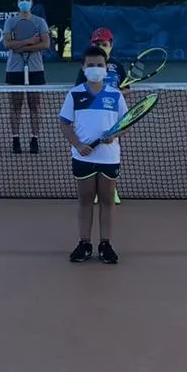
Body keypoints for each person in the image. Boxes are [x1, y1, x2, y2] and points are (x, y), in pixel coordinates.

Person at [58, 45, 124, 264]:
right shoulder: (75, 94)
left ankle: (105, 244)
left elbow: (125, 122)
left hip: (108, 157)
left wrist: (114, 135)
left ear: (106, 69)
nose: (95, 69)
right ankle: (84, 243)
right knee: (85, 200)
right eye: (91, 65)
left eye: (100, 65)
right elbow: (65, 123)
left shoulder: (115, 95)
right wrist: (77, 145)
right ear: (83, 68)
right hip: (83, 157)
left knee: (107, 201)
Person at [3, 0, 51, 154]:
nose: (24, 1)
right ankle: (15, 139)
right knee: (15, 105)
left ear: (31, 2)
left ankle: (34, 139)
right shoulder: (10, 21)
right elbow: (7, 44)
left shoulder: (39, 22)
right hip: (14, 69)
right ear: (18, 2)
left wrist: (21, 46)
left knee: (34, 105)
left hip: (35, 68)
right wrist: (30, 41)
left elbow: (45, 44)